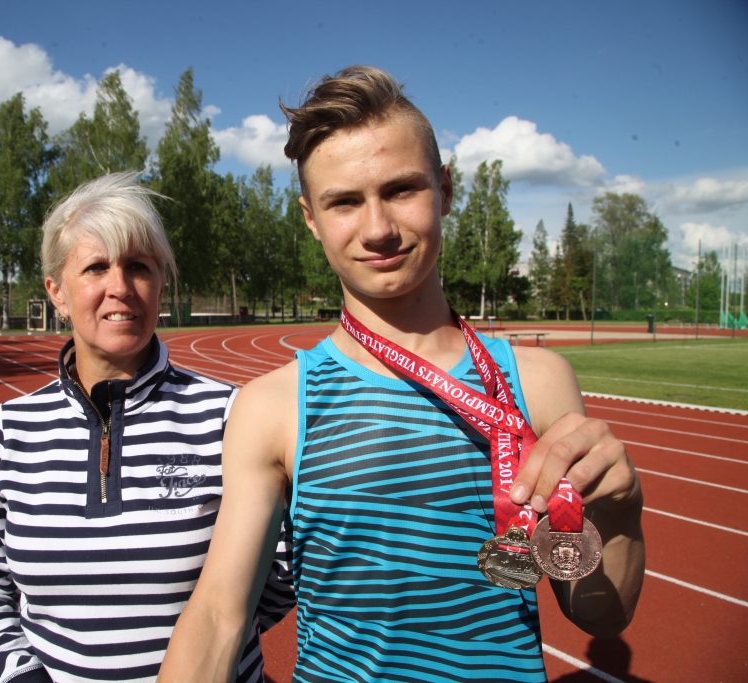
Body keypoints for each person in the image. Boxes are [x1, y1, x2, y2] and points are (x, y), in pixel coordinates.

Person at [159, 66, 645, 682]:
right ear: (310, 217)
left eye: (401, 190)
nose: (378, 228)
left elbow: (602, 615)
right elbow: (218, 617)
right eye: (344, 201)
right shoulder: (274, 405)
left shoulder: (540, 382)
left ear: (444, 189)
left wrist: (621, 512)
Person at [0, 172, 292, 683]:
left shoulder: (230, 417)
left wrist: (224, 650)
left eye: (138, 267)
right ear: (57, 293)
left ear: (160, 284)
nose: (120, 288)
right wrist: (22, 674)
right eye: (95, 267)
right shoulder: (8, 433)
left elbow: (280, 575)